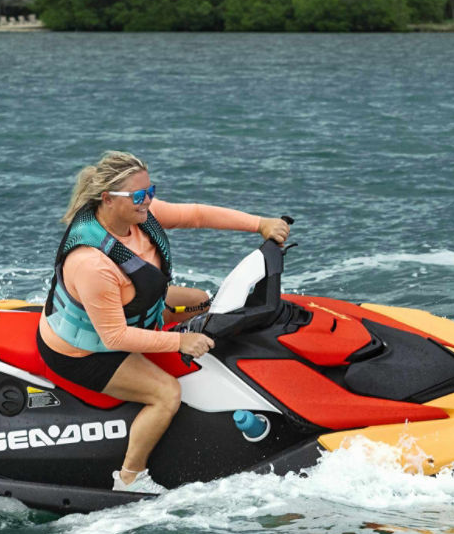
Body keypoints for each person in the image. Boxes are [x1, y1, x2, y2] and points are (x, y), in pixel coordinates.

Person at [37, 151, 290, 494]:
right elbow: (114, 338)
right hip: (84, 352)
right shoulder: (91, 264)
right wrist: (180, 342)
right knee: (166, 393)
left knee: (202, 302)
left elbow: (196, 215)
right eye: (139, 196)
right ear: (108, 199)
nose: (148, 201)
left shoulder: (140, 216)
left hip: (134, 314)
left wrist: (260, 224)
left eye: (151, 191)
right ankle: (129, 478)